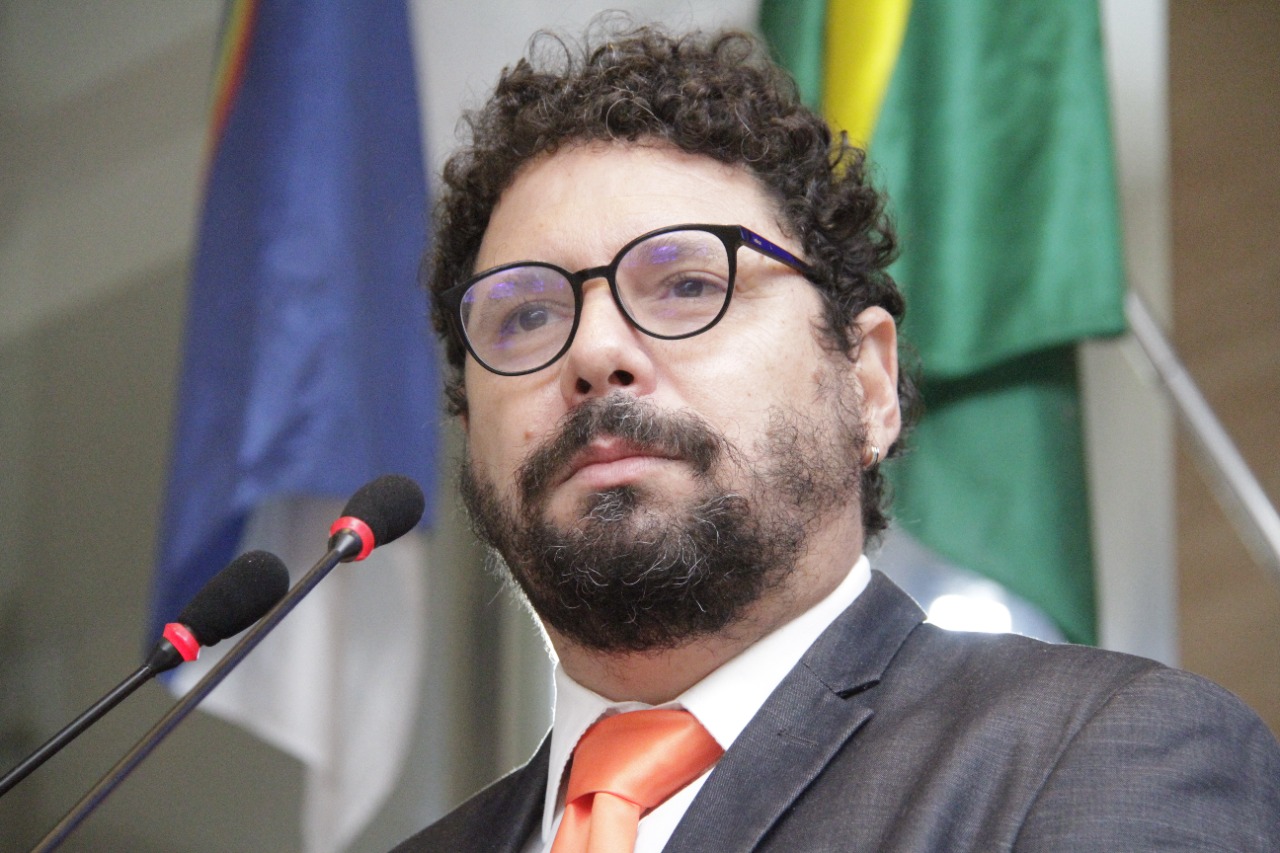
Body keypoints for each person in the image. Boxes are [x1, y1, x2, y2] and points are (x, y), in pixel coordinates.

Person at [393, 24, 1280, 853]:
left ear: (868, 385)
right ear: (469, 425)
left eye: (688, 284)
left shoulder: (1102, 755)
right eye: (527, 315)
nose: (592, 351)